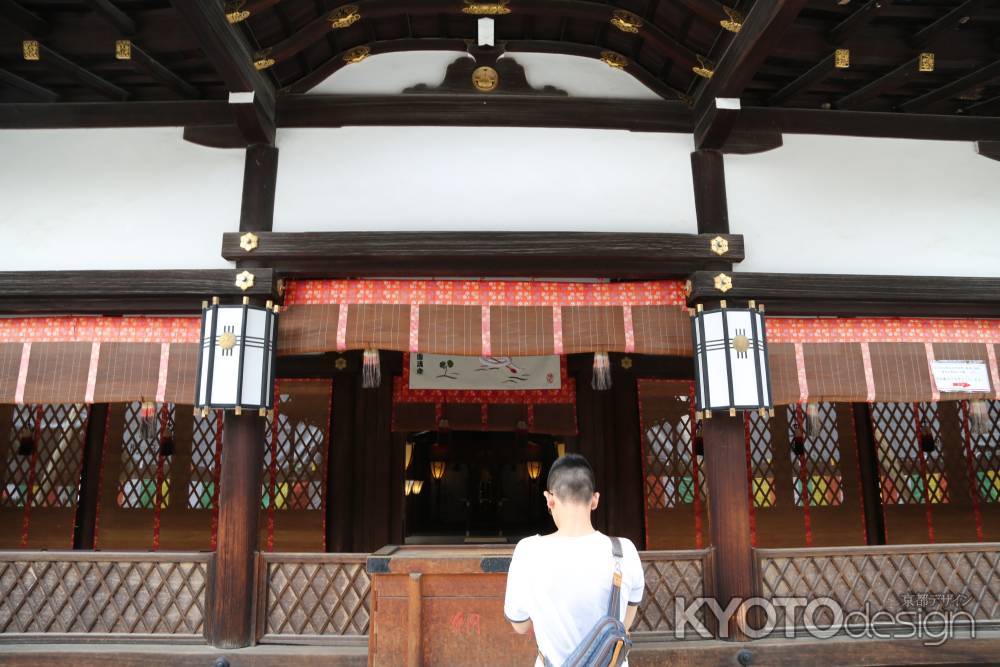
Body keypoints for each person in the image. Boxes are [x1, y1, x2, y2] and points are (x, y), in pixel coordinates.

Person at [503, 453, 645, 666]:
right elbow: (623, 623)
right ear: (595, 500)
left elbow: (520, 625)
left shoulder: (528, 551)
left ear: (549, 499)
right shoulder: (625, 551)